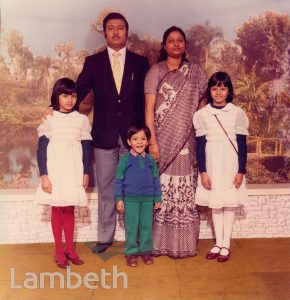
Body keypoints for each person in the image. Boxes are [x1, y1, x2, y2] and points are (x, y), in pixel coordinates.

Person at [75, 12, 149, 254]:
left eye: (120, 27)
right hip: (104, 137)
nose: (116, 31)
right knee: (107, 189)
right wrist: (53, 108)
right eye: (111, 28)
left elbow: (148, 101)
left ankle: (134, 239)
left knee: (134, 189)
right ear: (104, 32)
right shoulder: (92, 62)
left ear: (127, 32)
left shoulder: (140, 63)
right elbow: (76, 93)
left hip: (134, 140)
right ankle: (104, 238)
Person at [144, 26, 207, 258]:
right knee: (164, 193)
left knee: (185, 193)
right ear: (164, 45)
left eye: (180, 40)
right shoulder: (155, 71)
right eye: (171, 41)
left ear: (185, 45)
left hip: (188, 142)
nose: (176, 44)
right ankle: (160, 244)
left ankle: (184, 244)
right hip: (162, 141)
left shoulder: (197, 73)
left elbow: (201, 109)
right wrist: (153, 142)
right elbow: (149, 109)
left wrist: (202, 138)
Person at [36, 78, 92, 268]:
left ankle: (70, 249)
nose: (70, 99)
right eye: (65, 95)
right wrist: (44, 175)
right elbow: (41, 149)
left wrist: (86, 173)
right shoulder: (49, 118)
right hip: (55, 170)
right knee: (57, 208)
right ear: (57, 96)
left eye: (73, 95)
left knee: (69, 208)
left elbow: (86, 148)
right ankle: (58, 251)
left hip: (74, 169)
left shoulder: (82, 120)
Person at [193, 71, 249, 262]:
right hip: (212, 163)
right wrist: (203, 171)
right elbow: (200, 145)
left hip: (231, 163)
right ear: (209, 91)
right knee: (215, 204)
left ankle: (226, 244)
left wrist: (241, 170)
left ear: (229, 91)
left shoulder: (237, 113)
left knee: (229, 203)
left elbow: (242, 144)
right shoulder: (202, 115)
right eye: (215, 88)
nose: (218, 92)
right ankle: (218, 242)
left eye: (223, 88)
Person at [115, 125, 162, 267]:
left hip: (147, 200)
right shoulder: (125, 159)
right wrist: (119, 199)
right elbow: (118, 180)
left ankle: (146, 251)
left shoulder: (150, 160)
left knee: (146, 226)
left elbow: (156, 179)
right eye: (135, 139)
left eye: (143, 139)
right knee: (132, 227)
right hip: (130, 201)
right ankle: (131, 253)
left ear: (148, 142)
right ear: (129, 142)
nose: (139, 142)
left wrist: (158, 198)